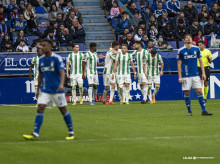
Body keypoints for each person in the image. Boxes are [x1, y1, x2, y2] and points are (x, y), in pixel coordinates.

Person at [23, 39, 75, 140]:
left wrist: (61, 85)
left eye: (44, 45)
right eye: (42, 46)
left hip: (57, 90)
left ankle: (71, 132)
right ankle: (35, 134)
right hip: (45, 90)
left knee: (63, 110)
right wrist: (38, 90)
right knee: (40, 108)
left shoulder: (56, 58)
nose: (43, 47)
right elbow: (40, 75)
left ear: (50, 46)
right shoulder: (41, 60)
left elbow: (62, 72)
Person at [177, 34, 213, 116]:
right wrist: (180, 77)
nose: (188, 38)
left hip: (196, 75)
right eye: (186, 37)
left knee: (200, 92)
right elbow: (179, 64)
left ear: (192, 39)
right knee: (187, 93)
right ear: (184, 40)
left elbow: (201, 61)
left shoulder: (196, 49)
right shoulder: (181, 50)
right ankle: (189, 111)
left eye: (190, 37)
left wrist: (203, 73)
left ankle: (204, 111)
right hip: (186, 76)